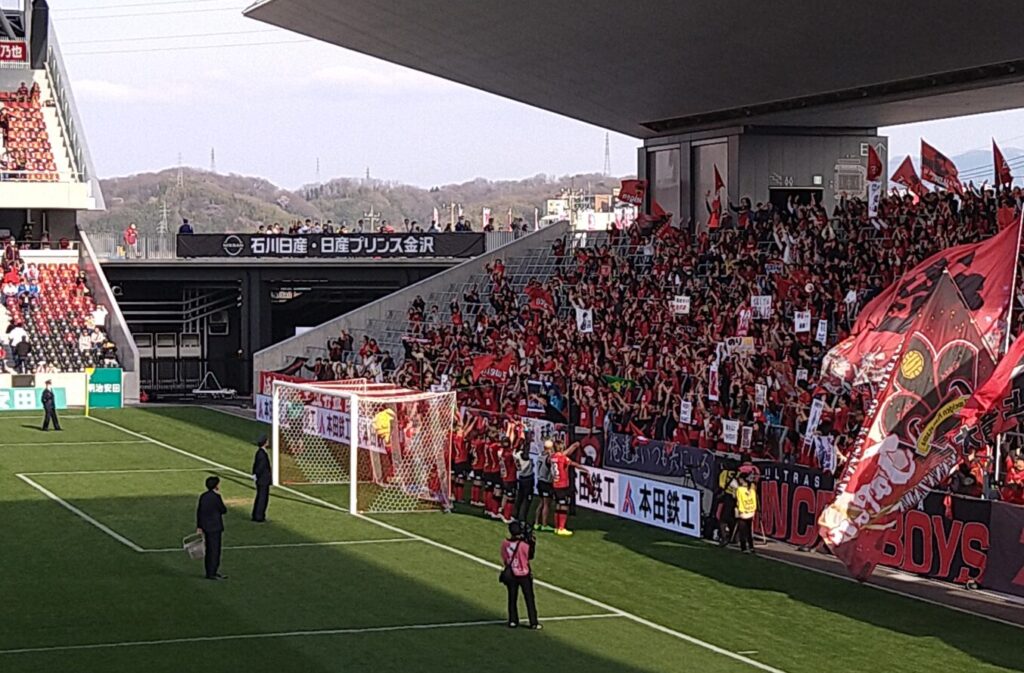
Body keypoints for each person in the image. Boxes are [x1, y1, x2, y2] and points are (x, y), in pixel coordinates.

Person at [500, 521, 540, 629]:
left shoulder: (505, 543)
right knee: (529, 598)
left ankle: (513, 620)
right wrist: (532, 543)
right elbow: (530, 556)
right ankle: (533, 622)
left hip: (511, 574)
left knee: (512, 598)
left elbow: (504, 557)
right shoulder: (523, 545)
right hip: (524, 574)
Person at [550, 439, 587, 537]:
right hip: (562, 485)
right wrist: (584, 469)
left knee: (558, 505)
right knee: (564, 506)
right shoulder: (563, 458)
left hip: (555, 484)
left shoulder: (553, 457)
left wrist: (574, 446)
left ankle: (557, 527)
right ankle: (561, 528)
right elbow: (573, 463)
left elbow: (563, 454)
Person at [196, 476, 228, 580]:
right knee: (214, 551)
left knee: (209, 549)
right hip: (215, 527)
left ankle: (209, 571)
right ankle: (212, 572)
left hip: (206, 526)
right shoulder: (216, 497)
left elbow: (199, 512)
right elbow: (223, 510)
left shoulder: (203, 496)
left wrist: (199, 526)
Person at [734, 472, 758, 554]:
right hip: (751, 512)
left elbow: (738, 500)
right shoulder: (752, 488)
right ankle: (751, 547)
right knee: (749, 531)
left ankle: (744, 547)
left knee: (742, 531)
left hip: (743, 512)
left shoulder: (740, 490)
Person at [534, 440, 554, 531]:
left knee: (541, 503)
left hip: (540, 481)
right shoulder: (548, 458)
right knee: (546, 504)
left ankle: (536, 523)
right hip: (546, 482)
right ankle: (544, 524)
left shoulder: (540, 455)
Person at [513, 439, 535, 523]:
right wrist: (528, 442)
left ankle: (515, 516)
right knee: (526, 500)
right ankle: (523, 518)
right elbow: (526, 453)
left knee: (519, 498)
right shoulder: (523, 455)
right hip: (527, 479)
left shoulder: (515, 453)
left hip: (521, 477)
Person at [251, 435, 272, 522]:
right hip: (263, 479)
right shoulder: (262, 454)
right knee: (262, 498)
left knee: (260, 497)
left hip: (260, 479)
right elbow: (261, 467)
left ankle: (256, 514)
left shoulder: (259, 452)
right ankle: (259, 516)